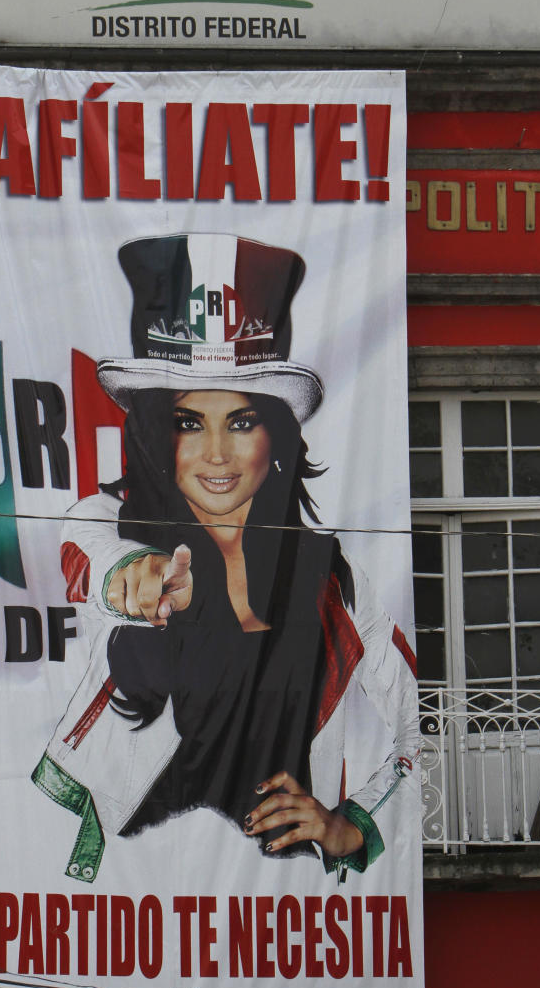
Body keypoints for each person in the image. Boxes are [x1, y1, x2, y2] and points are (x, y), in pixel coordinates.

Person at [32, 233, 419, 883]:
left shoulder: (336, 586)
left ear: (277, 439)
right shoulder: (114, 526)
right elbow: (85, 550)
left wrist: (351, 823)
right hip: (132, 899)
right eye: (189, 422)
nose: (215, 452)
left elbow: (422, 726)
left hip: (284, 923)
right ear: (159, 438)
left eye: (241, 421)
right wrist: (132, 576)